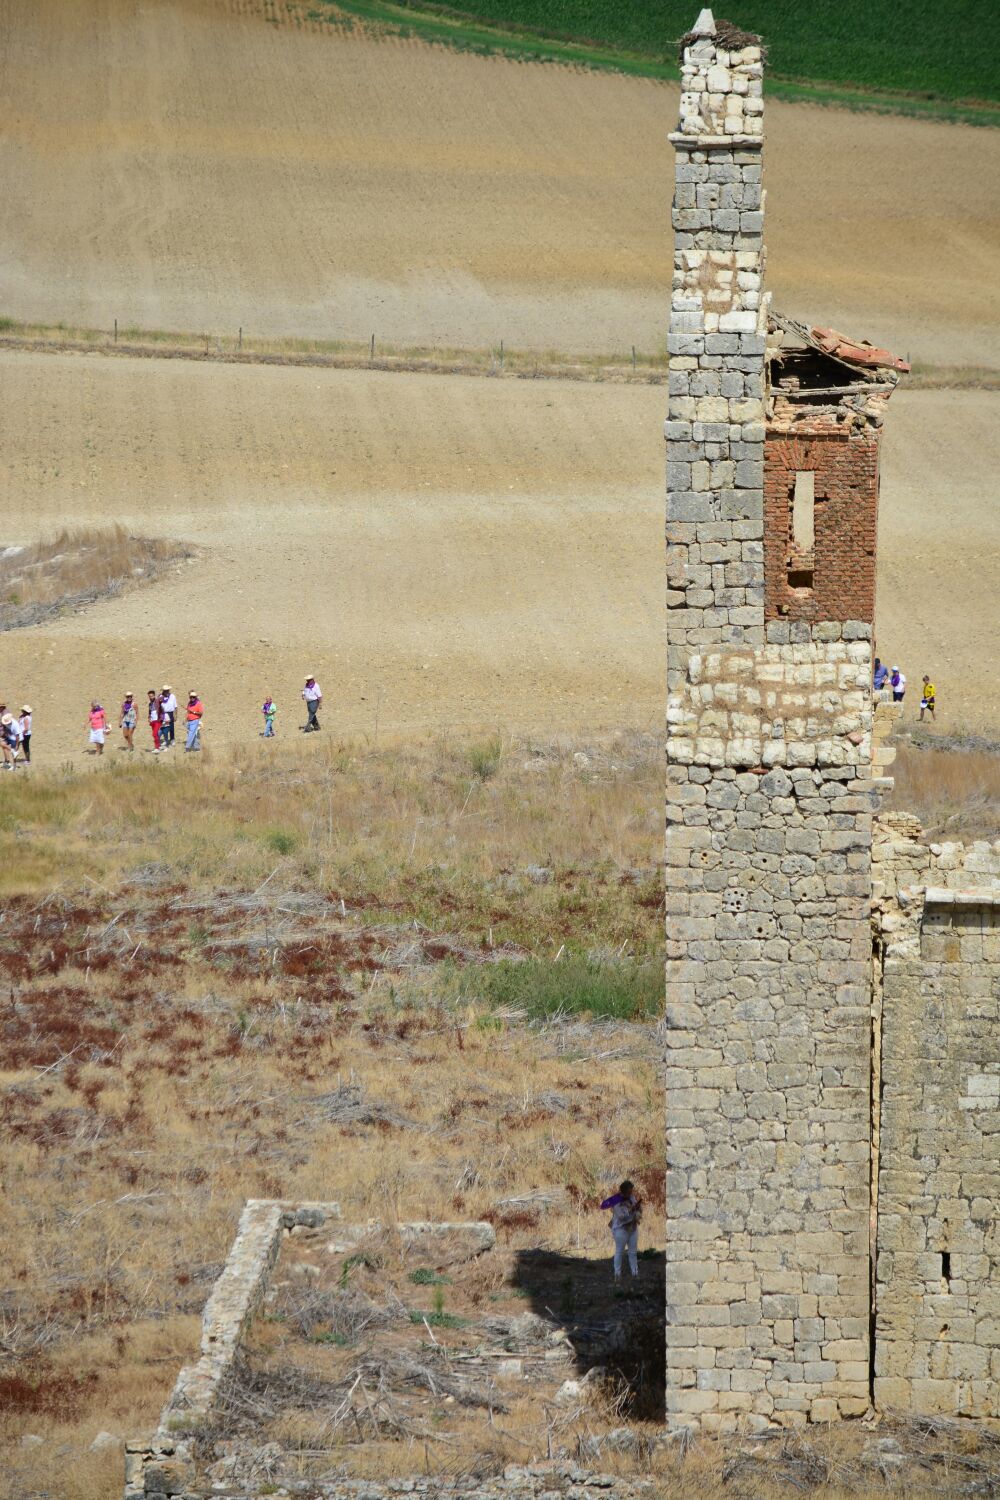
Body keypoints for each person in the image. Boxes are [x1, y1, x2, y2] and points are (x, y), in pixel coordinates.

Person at [600, 1179, 643, 1284]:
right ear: (624, 1191)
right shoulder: (617, 1202)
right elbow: (620, 1216)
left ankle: (635, 1273)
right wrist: (631, 1209)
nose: (631, 1193)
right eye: (629, 1191)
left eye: (631, 1191)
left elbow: (637, 1209)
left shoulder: (631, 1198)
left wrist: (638, 1208)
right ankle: (617, 1275)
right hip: (621, 1229)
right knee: (619, 1252)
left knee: (632, 1252)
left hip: (632, 1227)